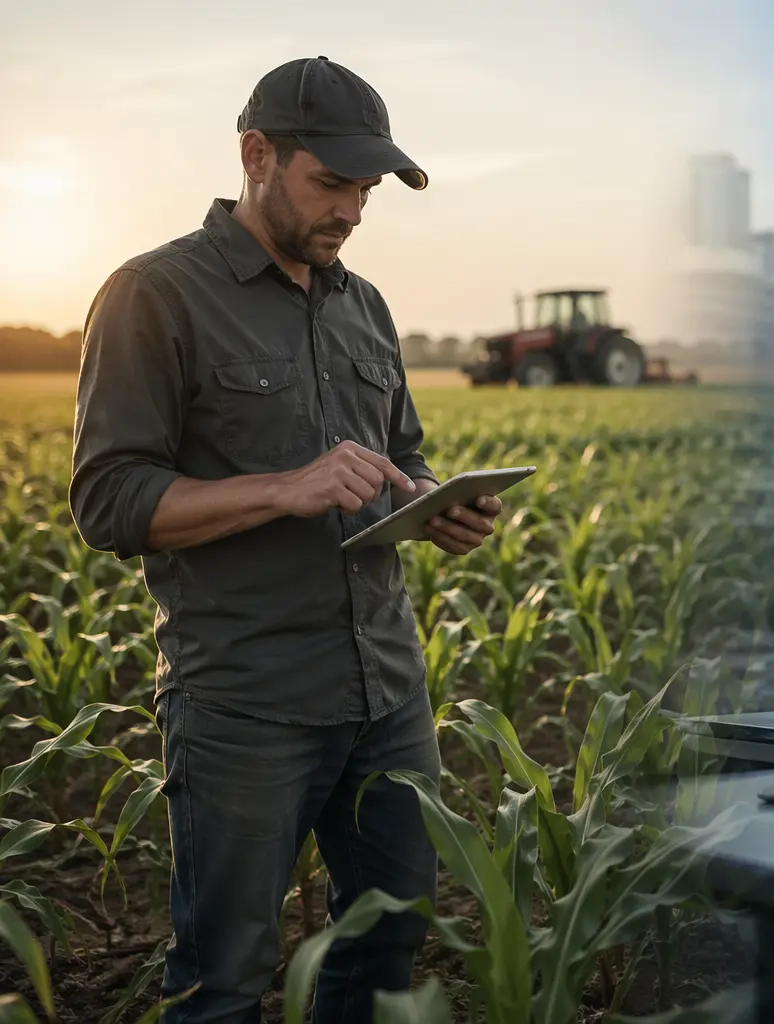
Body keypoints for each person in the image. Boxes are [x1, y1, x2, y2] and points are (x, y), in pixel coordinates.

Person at [69, 57, 500, 1022]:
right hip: (245, 701)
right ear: (257, 156)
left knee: (389, 939)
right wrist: (282, 489)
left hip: (386, 688)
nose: (352, 210)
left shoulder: (366, 305)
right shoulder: (155, 294)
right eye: (332, 184)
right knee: (224, 978)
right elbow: (107, 500)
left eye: (367, 190)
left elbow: (403, 454)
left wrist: (437, 504)